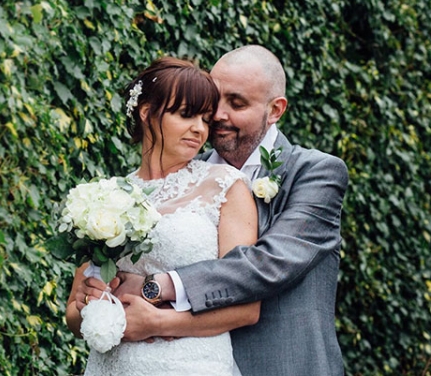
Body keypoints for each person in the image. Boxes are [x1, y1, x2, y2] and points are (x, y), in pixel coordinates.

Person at [78, 45, 349, 376]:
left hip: (281, 365)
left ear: (275, 110)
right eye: (213, 101)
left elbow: (269, 262)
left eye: (237, 103)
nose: (218, 115)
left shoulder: (315, 172)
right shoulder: (183, 173)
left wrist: (155, 286)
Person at [65, 56, 260, 375]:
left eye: (205, 119)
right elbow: (73, 316)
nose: (199, 129)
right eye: (186, 115)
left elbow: (246, 308)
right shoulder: (104, 198)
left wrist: (155, 323)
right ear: (147, 112)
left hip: (191, 365)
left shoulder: (226, 186)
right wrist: (90, 302)